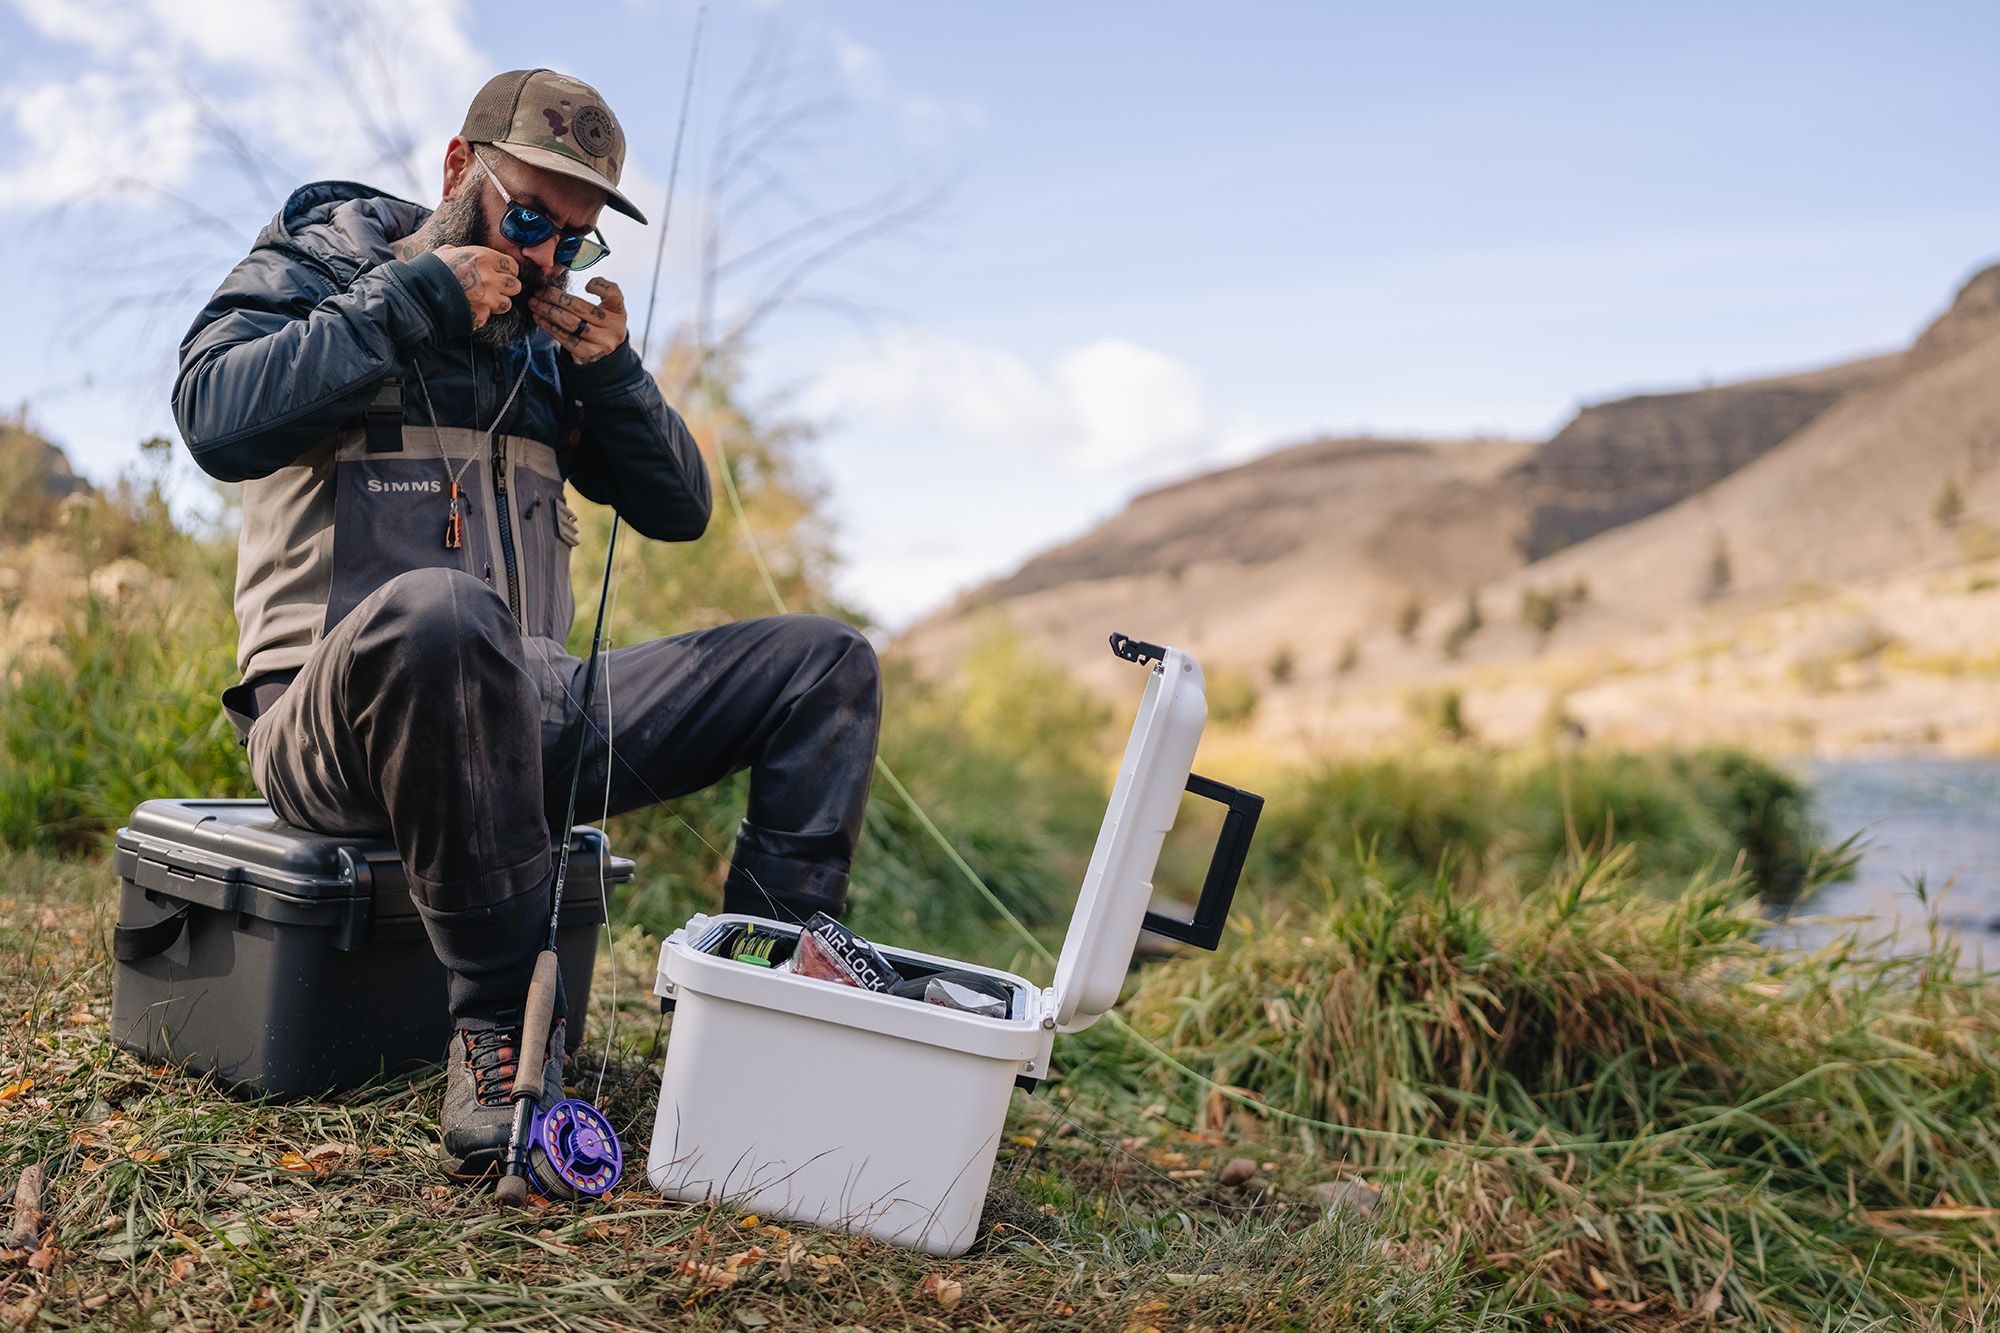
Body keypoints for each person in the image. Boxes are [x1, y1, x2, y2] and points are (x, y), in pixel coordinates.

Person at [172, 69, 881, 1179]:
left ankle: (761, 1014)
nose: (548, 257)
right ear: (460, 172)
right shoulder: (324, 260)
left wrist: (614, 378)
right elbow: (211, 416)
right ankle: (500, 1032)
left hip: (525, 714)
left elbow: (680, 509)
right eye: (532, 219)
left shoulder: (551, 347)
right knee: (445, 616)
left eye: (578, 240)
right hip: (329, 726)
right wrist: (412, 303)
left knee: (822, 661)